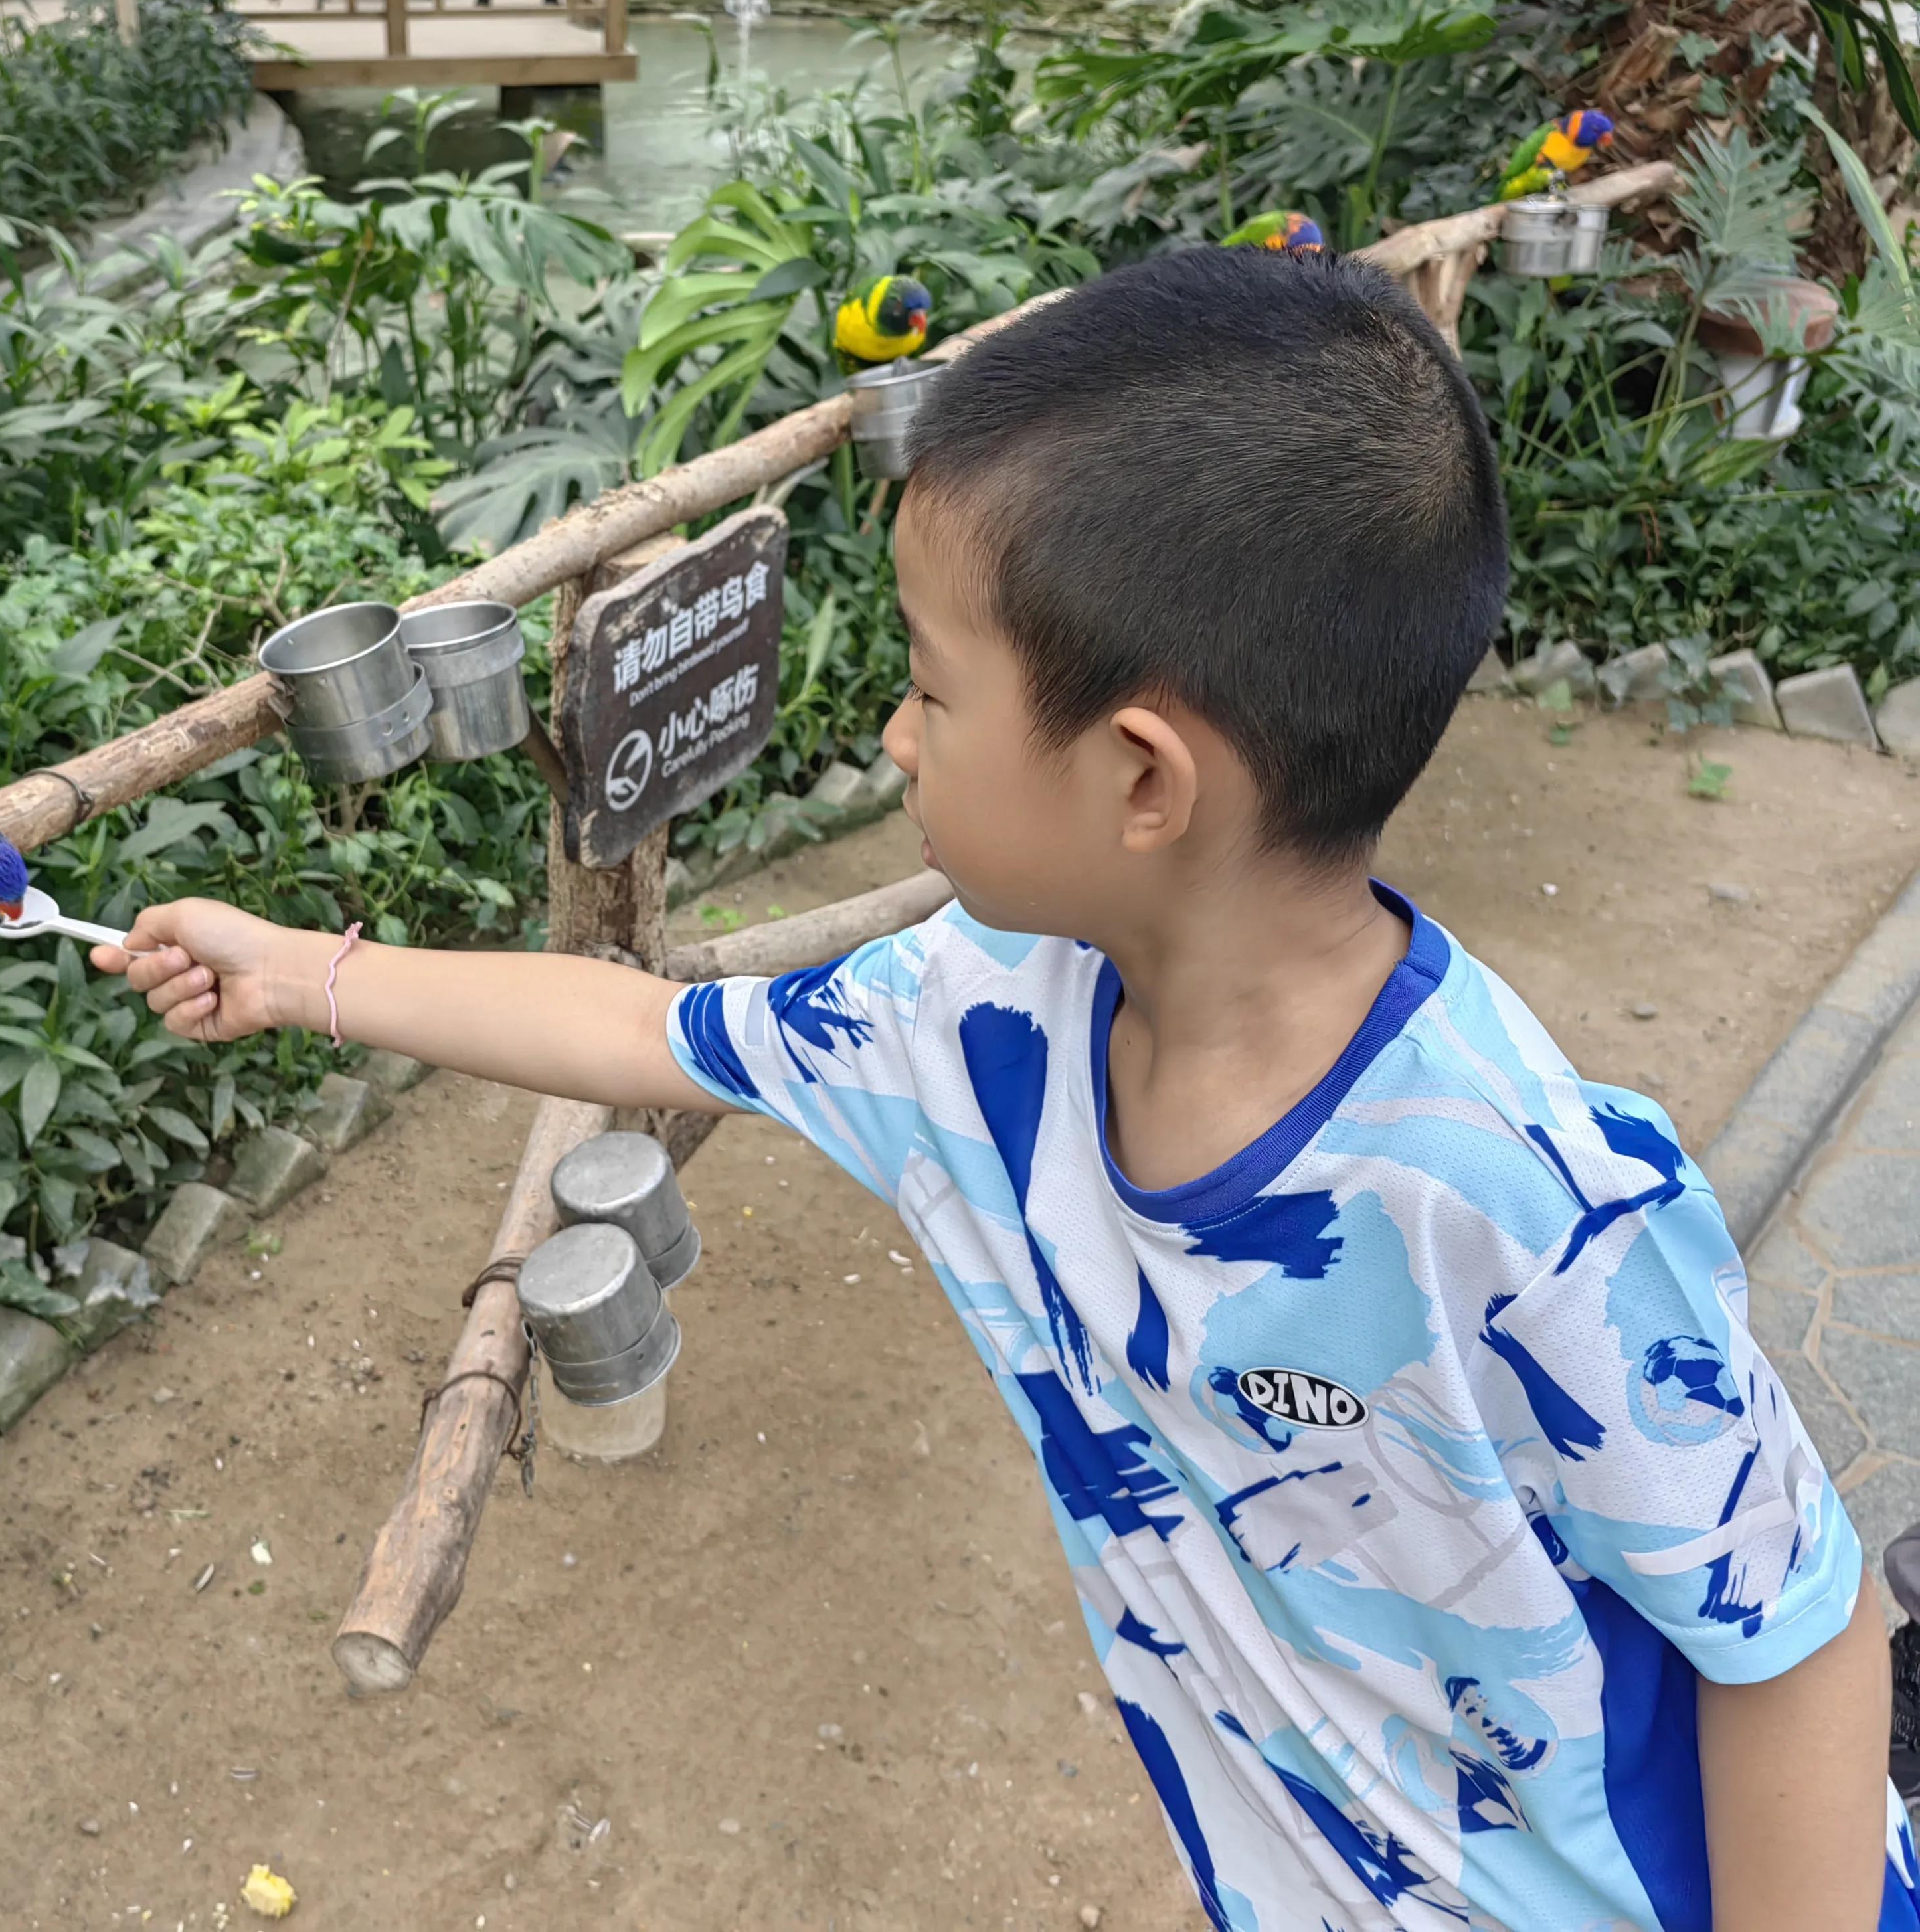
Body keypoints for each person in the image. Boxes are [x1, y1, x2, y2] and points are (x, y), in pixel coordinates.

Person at [92, 247, 1917, 1929]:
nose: (890, 738)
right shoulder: (970, 1020)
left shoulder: (1516, 1198)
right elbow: (645, 1032)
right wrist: (306, 973)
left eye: (925, 687)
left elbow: (1804, 1646)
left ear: (1141, 779)